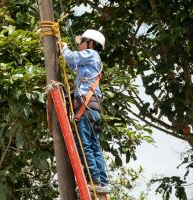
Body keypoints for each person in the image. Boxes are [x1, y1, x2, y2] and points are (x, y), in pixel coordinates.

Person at [61, 29, 109, 194]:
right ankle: (102, 181)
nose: (79, 45)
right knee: (94, 145)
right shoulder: (91, 59)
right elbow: (72, 64)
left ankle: (94, 180)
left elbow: (70, 57)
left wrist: (64, 48)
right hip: (92, 108)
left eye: (81, 41)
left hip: (86, 107)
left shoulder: (91, 53)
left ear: (90, 43)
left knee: (84, 144)